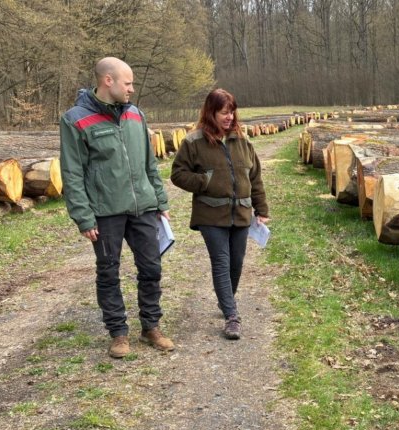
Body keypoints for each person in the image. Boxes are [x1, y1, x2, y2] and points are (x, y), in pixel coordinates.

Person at [59, 57, 175, 358]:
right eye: (128, 83)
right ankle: (118, 333)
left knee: (151, 268)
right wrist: (83, 217)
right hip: (105, 211)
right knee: (109, 272)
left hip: (143, 208)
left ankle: (151, 326)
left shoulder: (136, 114)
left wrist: (160, 200)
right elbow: (72, 173)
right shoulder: (74, 119)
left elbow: (150, 163)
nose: (132, 89)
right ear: (108, 81)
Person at [171, 89, 270, 340]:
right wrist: (204, 181)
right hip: (210, 215)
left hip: (241, 214)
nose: (229, 117)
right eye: (224, 112)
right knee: (221, 262)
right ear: (211, 112)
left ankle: (226, 300)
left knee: (236, 263)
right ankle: (231, 316)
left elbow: (255, 177)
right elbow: (178, 174)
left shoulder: (243, 141)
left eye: (232, 112)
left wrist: (261, 209)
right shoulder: (194, 141)